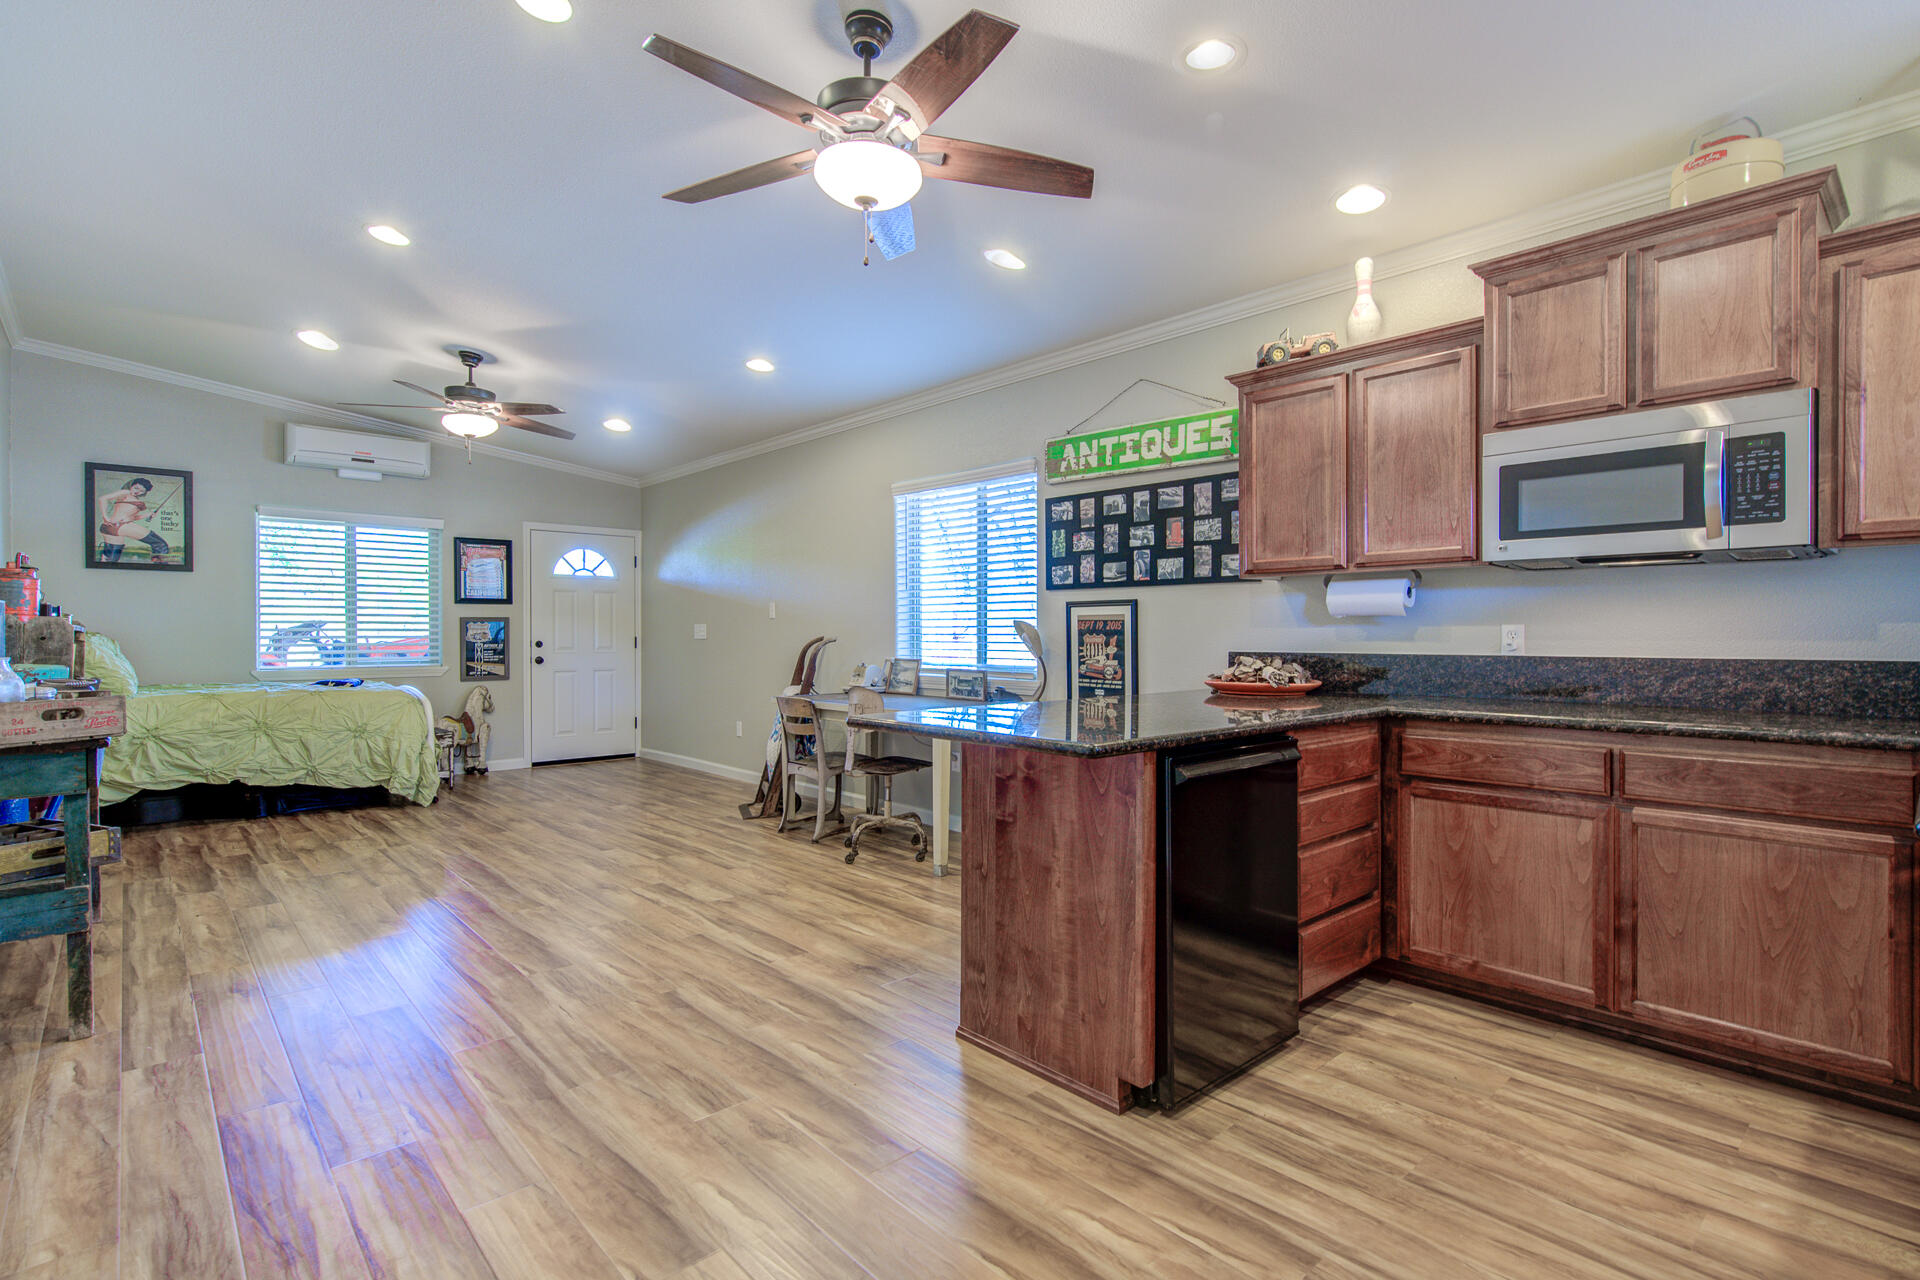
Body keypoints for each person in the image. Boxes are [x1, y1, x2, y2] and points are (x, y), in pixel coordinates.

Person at [97, 477, 172, 564]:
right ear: (131, 485)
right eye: (136, 488)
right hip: (120, 526)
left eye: (141, 491)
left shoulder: (134, 499)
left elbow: (132, 517)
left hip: (109, 528)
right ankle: (160, 569)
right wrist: (105, 517)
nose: (137, 492)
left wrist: (147, 515)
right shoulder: (125, 492)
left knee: (111, 560)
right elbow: (102, 499)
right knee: (160, 544)